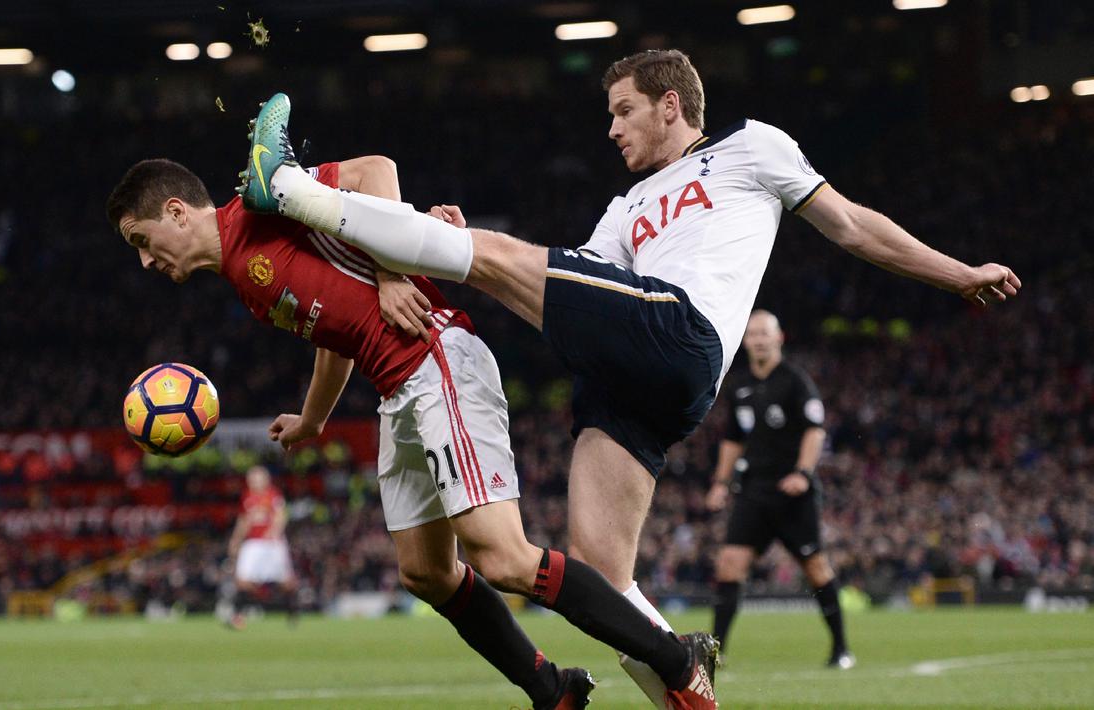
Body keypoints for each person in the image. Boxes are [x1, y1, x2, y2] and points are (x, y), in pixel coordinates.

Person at [238, 50, 1019, 706]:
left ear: (669, 105)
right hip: (638, 376)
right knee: (602, 578)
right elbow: (576, 283)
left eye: (622, 111)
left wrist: (957, 274)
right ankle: (690, 693)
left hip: (678, 331)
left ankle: (291, 187)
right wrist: (446, 242)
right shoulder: (628, 205)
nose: (610, 129)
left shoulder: (752, 146)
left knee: (498, 258)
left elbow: (850, 225)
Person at [106, 152, 719, 710]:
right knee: (425, 573)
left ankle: (676, 660)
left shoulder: (260, 206)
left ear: (176, 212)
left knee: (501, 556)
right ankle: (553, 690)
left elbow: (375, 170)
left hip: (435, 356)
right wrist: (313, 419)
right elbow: (334, 336)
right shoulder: (245, 281)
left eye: (141, 240)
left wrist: (393, 270)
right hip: (396, 387)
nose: (145, 261)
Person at [705, 310, 853, 668]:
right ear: (745, 341)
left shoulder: (795, 381)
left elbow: (815, 430)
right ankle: (715, 654)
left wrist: (802, 472)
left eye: (764, 333)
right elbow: (733, 440)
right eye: (752, 334)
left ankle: (841, 649)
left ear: (778, 337)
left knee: (815, 567)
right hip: (754, 490)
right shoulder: (739, 386)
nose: (758, 340)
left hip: (793, 494)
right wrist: (721, 483)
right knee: (729, 565)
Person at [223, 465, 299, 628]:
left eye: (256, 479)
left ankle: (292, 612)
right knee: (241, 580)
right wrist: (236, 539)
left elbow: (281, 515)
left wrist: (274, 531)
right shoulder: (247, 496)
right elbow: (244, 520)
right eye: (251, 479)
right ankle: (238, 617)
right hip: (253, 542)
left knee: (286, 582)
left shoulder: (273, 495)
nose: (253, 482)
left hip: (273, 543)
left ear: (266, 480)